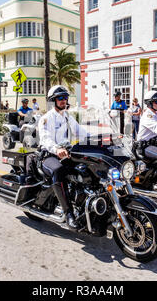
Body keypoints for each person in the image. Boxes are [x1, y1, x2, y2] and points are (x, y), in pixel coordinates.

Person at [38, 85, 89, 231]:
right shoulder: (46, 119)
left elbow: (81, 132)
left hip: (65, 153)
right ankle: (69, 214)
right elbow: (46, 139)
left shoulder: (67, 117)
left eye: (65, 97)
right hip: (48, 156)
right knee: (58, 170)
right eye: (60, 98)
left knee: (85, 168)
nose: (63, 100)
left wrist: (101, 140)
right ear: (53, 100)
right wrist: (56, 149)